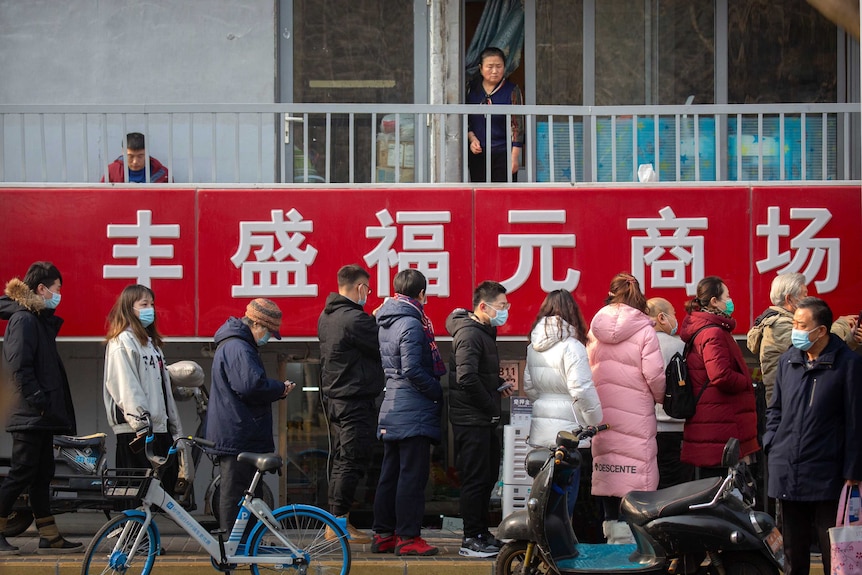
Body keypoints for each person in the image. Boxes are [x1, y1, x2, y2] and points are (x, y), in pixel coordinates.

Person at [764, 296, 862, 575]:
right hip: (788, 467)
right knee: (793, 551)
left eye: (800, 324)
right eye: (794, 322)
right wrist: (772, 442)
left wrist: (853, 469)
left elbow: (856, 421)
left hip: (828, 472)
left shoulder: (848, 364)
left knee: (833, 549)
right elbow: (775, 409)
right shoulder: (788, 361)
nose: (795, 329)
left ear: (821, 331)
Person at [0, 262, 82, 555]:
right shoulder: (24, 320)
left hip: (39, 417)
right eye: (57, 288)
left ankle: (49, 535)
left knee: (41, 474)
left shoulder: (37, 321)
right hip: (30, 415)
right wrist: (40, 403)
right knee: (22, 473)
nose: (60, 295)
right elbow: (19, 368)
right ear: (42, 289)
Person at [205, 298, 295, 536]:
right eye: (268, 331)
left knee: (240, 491)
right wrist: (279, 388)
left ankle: (240, 544)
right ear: (256, 323)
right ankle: (234, 544)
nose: (267, 338)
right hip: (238, 434)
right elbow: (250, 386)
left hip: (237, 431)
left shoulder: (236, 345)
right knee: (236, 492)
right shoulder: (239, 348)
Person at [587, 273, 665, 545]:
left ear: (611, 294)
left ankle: (612, 538)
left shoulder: (595, 331)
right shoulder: (645, 330)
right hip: (636, 416)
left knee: (609, 476)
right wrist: (662, 398)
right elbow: (655, 375)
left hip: (604, 414)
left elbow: (587, 370)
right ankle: (631, 542)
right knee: (635, 481)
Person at [371, 269, 444, 557]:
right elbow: (412, 368)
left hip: (393, 405)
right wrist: (437, 392)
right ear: (422, 294)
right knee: (412, 477)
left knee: (390, 474)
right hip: (413, 407)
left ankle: (383, 534)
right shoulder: (412, 324)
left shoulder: (387, 321)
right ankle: (408, 537)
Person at [446, 280, 515, 558]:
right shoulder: (470, 334)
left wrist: (497, 383)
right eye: (502, 306)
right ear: (483, 306)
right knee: (475, 479)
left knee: (486, 477)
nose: (505, 311)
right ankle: (470, 538)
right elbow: (466, 378)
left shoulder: (484, 332)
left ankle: (481, 533)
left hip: (482, 418)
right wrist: (491, 406)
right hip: (471, 419)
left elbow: (477, 373)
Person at [317, 264, 384, 543]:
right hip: (355, 400)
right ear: (359, 288)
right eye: (367, 289)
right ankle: (337, 523)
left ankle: (336, 521)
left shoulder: (327, 316)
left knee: (343, 460)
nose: (368, 294)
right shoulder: (355, 320)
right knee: (351, 461)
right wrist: (380, 318)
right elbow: (382, 343)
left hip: (337, 400)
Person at [524, 289, 602, 519]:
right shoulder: (572, 346)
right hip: (568, 432)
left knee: (543, 494)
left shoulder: (532, 346)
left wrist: (544, 407)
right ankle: (559, 549)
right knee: (565, 496)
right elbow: (581, 389)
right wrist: (595, 421)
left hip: (541, 430)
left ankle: (541, 547)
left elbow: (530, 387)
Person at [103, 284, 183, 495]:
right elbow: (125, 385)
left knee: (162, 488)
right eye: (144, 304)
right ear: (129, 308)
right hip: (136, 430)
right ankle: (131, 529)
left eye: (152, 304)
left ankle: (148, 528)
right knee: (136, 493)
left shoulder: (150, 344)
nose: (150, 309)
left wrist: (174, 428)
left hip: (157, 426)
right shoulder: (122, 341)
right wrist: (141, 423)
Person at [678, 276, 759, 477]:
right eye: (727, 296)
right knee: (721, 491)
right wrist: (746, 381)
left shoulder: (705, 330)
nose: (730, 301)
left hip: (714, 422)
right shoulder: (713, 332)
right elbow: (720, 375)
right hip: (720, 424)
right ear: (714, 301)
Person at [747, 272, 860, 405]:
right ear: (789, 299)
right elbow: (816, 344)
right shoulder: (779, 325)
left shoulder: (780, 321)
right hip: (787, 403)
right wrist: (842, 325)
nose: (807, 300)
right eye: (804, 295)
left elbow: (823, 355)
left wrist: (851, 339)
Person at [646, 297, 693, 489]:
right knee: (676, 485)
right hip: (676, 426)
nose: (676, 318)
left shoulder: (639, 345)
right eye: (673, 313)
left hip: (647, 427)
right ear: (661, 317)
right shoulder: (679, 346)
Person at [466, 47, 524, 183]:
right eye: (489, 66)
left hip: (504, 152)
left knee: (503, 196)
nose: (494, 71)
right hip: (478, 152)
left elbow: (517, 125)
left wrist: (514, 157)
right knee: (480, 195)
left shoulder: (512, 90)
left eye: (499, 66)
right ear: (481, 68)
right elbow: (466, 120)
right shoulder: (471, 89)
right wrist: (472, 139)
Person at [101, 132, 170, 183]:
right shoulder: (112, 171)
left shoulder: (163, 173)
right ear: (123, 152)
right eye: (130, 156)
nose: (135, 161)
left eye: (140, 156)